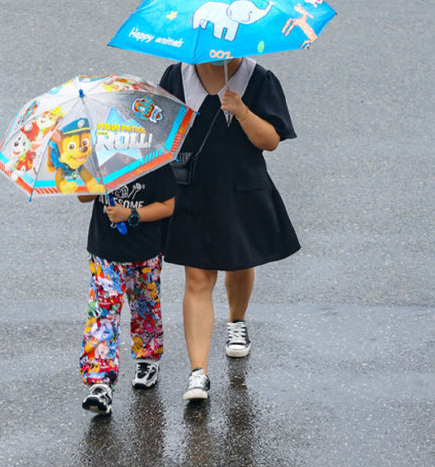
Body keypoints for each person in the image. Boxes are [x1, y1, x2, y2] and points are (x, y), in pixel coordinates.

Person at [159, 57, 300, 401]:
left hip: (241, 187)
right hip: (191, 189)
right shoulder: (177, 76)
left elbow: (270, 141)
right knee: (198, 278)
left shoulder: (259, 79)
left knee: (239, 262)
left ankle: (236, 321)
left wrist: (241, 111)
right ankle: (198, 373)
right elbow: (158, 130)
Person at [78, 165, 176, 416]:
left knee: (145, 307)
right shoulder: (102, 159)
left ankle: (147, 359)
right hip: (105, 252)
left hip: (145, 251)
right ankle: (100, 383)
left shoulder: (154, 160)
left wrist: (130, 214)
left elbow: (167, 206)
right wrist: (86, 171)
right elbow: (83, 195)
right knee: (103, 313)